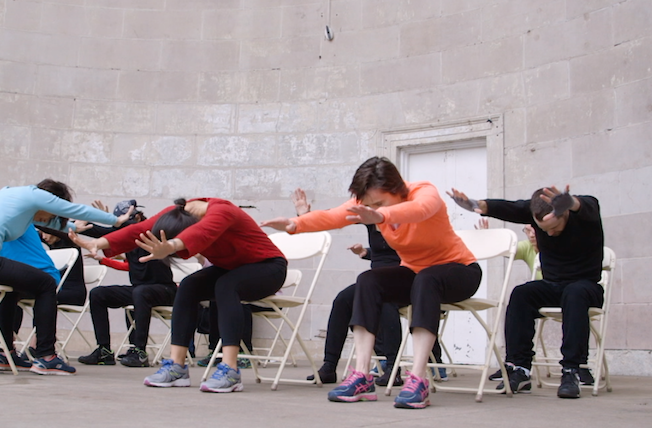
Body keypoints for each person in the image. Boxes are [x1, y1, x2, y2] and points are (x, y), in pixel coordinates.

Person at [262, 157, 481, 408]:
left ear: (398, 190)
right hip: (416, 273)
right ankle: (363, 375)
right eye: (369, 204)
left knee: (426, 279)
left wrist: (379, 214)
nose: (373, 207)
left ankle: (419, 379)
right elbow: (334, 216)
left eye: (379, 202)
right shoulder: (368, 205)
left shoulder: (423, 191)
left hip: (460, 271)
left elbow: (420, 210)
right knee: (368, 280)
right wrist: (295, 224)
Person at [69, 197, 287, 393]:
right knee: (188, 285)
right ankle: (177, 367)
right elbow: (140, 230)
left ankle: (230, 370)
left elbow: (201, 233)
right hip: (231, 268)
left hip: (268, 269)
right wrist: (98, 242)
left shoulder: (222, 211)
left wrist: (171, 246)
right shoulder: (177, 211)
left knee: (226, 286)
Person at [0, 180, 130, 375]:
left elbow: (50, 223)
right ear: (50, 201)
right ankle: (46, 356)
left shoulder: (6, 197)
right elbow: (75, 209)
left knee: (9, 286)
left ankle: (4, 354)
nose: (47, 221)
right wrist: (115, 221)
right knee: (46, 283)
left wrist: (72, 227)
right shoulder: (34, 195)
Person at [447, 185, 604, 399]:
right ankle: (519, 368)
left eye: (554, 228)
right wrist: (474, 204)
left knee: (574, 293)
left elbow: (586, 204)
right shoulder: (533, 211)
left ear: (565, 212)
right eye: (544, 229)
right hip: (552, 286)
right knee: (522, 294)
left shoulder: (586, 213)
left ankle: (572, 370)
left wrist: (572, 202)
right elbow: (506, 207)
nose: (549, 233)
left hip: (587, 286)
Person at [290, 189, 404, 387]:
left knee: (386, 303)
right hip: (375, 281)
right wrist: (304, 215)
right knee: (343, 300)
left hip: (404, 279)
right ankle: (329, 366)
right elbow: (332, 217)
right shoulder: (369, 217)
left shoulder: (402, 216)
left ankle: (393, 368)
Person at [77, 200, 177, 368]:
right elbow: (106, 234)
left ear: (137, 217)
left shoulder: (153, 233)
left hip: (165, 290)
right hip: (141, 290)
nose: (123, 225)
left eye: (125, 220)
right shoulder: (127, 240)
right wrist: (86, 220)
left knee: (140, 292)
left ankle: (140, 351)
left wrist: (112, 223)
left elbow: (124, 230)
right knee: (98, 294)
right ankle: (104, 350)